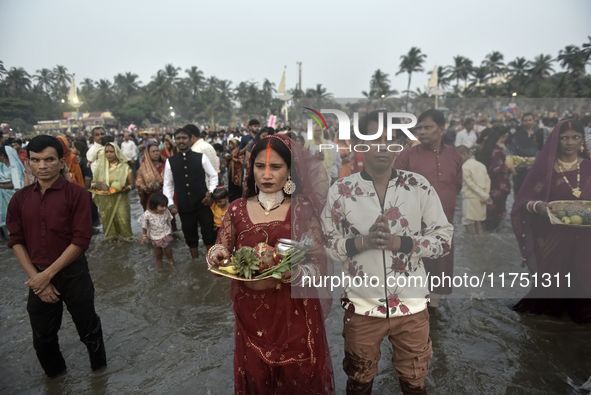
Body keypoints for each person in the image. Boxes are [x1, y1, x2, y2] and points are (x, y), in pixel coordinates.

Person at [322, 111, 453, 395]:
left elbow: (443, 239)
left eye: (390, 139)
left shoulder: (417, 186)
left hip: (413, 306)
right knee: (358, 380)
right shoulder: (342, 191)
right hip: (361, 306)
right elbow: (328, 245)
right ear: (359, 143)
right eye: (374, 139)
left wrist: (401, 244)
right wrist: (363, 242)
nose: (383, 146)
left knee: (415, 382)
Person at [207, 134, 335, 394]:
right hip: (250, 313)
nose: (266, 175)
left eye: (275, 167)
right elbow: (222, 246)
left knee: (296, 376)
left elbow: (319, 262)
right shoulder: (235, 209)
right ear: (250, 169)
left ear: (290, 171)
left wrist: (296, 272)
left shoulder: (302, 209)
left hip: (294, 311)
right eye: (259, 166)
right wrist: (217, 255)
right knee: (256, 376)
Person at [6, 135, 106, 378]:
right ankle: (57, 379)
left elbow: (81, 241)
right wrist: (38, 279)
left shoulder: (78, 195)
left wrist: (46, 276)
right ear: (28, 163)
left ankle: (100, 378)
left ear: (61, 162)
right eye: (36, 160)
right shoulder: (19, 199)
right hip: (37, 276)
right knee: (42, 339)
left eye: (49, 159)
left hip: (73, 274)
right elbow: (16, 241)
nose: (42, 166)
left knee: (89, 331)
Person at [511, 119, 591, 323]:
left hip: (585, 237)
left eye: (576, 137)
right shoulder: (544, 169)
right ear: (556, 140)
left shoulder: (589, 166)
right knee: (552, 283)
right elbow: (523, 201)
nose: (570, 142)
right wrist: (538, 207)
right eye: (564, 138)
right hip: (553, 235)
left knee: (584, 275)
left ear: (582, 140)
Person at [395, 109, 462, 306]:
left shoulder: (455, 155)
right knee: (412, 269)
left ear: (441, 129)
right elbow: (395, 191)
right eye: (419, 128)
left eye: (427, 127)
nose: (422, 132)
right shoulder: (407, 155)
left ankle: (433, 310)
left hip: (443, 224)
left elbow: (457, 185)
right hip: (414, 227)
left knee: (440, 265)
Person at [163, 128, 218, 259]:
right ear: (175, 141)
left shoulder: (201, 157)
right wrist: (170, 204)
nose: (181, 141)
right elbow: (168, 184)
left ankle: (212, 261)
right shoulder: (170, 161)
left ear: (190, 140)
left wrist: (209, 193)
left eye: (184, 138)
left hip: (203, 203)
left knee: (208, 234)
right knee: (190, 235)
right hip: (184, 205)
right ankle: (195, 262)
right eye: (178, 138)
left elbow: (213, 176)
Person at [91, 141, 134, 239]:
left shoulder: (125, 167)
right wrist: (96, 186)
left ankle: (126, 247)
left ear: (117, 152)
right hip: (105, 201)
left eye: (111, 151)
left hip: (121, 199)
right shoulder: (100, 167)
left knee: (124, 224)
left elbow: (132, 184)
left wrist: (127, 188)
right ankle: (111, 245)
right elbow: (94, 182)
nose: (109, 154)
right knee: (108, 226)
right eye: (106, 152)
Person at [476, 126, 516, 231]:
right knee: (496, 213)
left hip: (489, 184)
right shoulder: (498, 150)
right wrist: (508, 168)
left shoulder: (488, 148)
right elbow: (495, 168)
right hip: (498, 185)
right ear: (503, 136)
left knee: (489, 210)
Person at [457, 145, 492, 235]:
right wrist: (485, 195)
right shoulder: (480, 165)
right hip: (481, 197)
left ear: (464, 154)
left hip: (470, 198)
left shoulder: (464, 167)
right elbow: (487, 181)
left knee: (467, 221)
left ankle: (471, 241)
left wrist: (484, 196)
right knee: (477, 220)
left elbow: (470, 185)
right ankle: (480, 239)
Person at [138, 192, 174, 267]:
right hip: (155, 238)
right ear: (153, 206)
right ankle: (160, 269)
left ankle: (172, 267)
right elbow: (144, 226)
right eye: (162, 206)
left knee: (169, 254)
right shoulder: (147, 215)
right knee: (158, 255)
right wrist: (144, 236)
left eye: (165, 206)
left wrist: (171, 232)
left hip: (166, 236)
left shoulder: (166, 212)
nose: (164, 208)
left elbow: (169, 221)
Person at [507, 112, 539, 195]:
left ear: (534, 121)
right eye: (525, 121)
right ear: (522, 122)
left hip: (536, 168)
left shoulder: (539, 134)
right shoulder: (517, 135)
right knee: (519, 193)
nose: (528, 122)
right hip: (520, 169)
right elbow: (512, 151)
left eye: (530, 120)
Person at [0, 144, 25, 237]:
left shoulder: (15, 168)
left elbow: (16, 184)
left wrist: (1, 185)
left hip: (13, 196)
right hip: (3, 199)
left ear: (2, 155)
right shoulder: (1, 166)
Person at [136, 143, 165, 210]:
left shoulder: (165, 165)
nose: (156, 153)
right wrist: (144, 188)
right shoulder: (143, 167)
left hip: (164, 195)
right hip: (150, 197)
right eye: (153, 152)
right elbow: (139, 182)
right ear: (148, 154)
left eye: (157, 151)